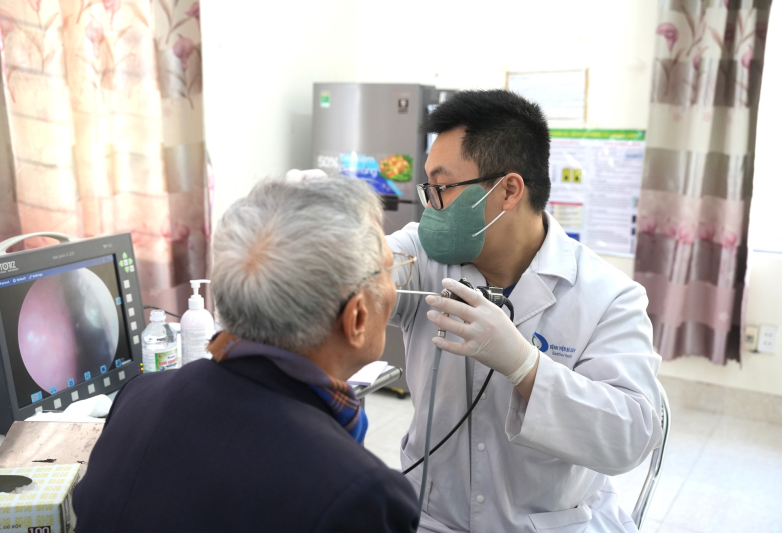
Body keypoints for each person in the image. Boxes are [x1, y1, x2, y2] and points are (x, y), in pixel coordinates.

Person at [73, 175, 420, 533]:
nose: (395, 286)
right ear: (357, 317)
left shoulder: (139, 396)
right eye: (391, 270)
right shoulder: (362, 498)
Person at [388, 90, 663, 532]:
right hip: (434, 517)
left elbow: (629, 438)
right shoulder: (424, 255)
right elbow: (366, 265)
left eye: (442, 188)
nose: (431, 205)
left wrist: (525, 366)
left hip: (547, 523)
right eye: (428, 189)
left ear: (509, 190)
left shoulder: (609, 296)